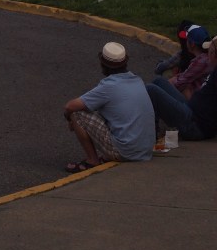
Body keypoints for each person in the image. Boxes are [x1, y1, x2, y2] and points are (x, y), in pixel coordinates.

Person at [63, 41, 155, 172]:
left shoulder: (108, 86)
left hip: (126, 151)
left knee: (77, 114)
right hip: (146, 150)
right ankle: (109, 153)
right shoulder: (137, 80)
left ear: (103, 64)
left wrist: (69, 120)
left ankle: (92, 160)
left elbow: (70, 107)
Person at [163, 24, 211, 98]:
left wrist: (163, 85)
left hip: (201, 98)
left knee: (164, 82)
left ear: (192, 44)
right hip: (204, 93)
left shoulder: (200, 61)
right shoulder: (208, 56)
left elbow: (181, 81)